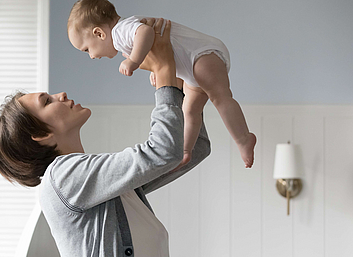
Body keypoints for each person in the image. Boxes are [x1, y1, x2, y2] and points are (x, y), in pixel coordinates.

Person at [0, 18, 210, 257]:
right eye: (47, 101)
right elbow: (163, 152)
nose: (60, 94)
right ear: (41, 134)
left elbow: (194, 149)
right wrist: (165, 73)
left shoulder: (95, 182)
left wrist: (182, 85)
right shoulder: (63, 177)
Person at [67, 0, 257, 168]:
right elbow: (157, 49)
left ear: (99, 33)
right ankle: (184, 151)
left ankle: (243, 139)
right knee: (189, 110)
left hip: (203, 54)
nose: (91, 56)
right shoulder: (122, 35)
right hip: (189, 68)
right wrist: (155, 69)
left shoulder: (120, 31)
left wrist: (133, 60)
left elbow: (146, 32)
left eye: (86, 49)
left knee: (221, 98)